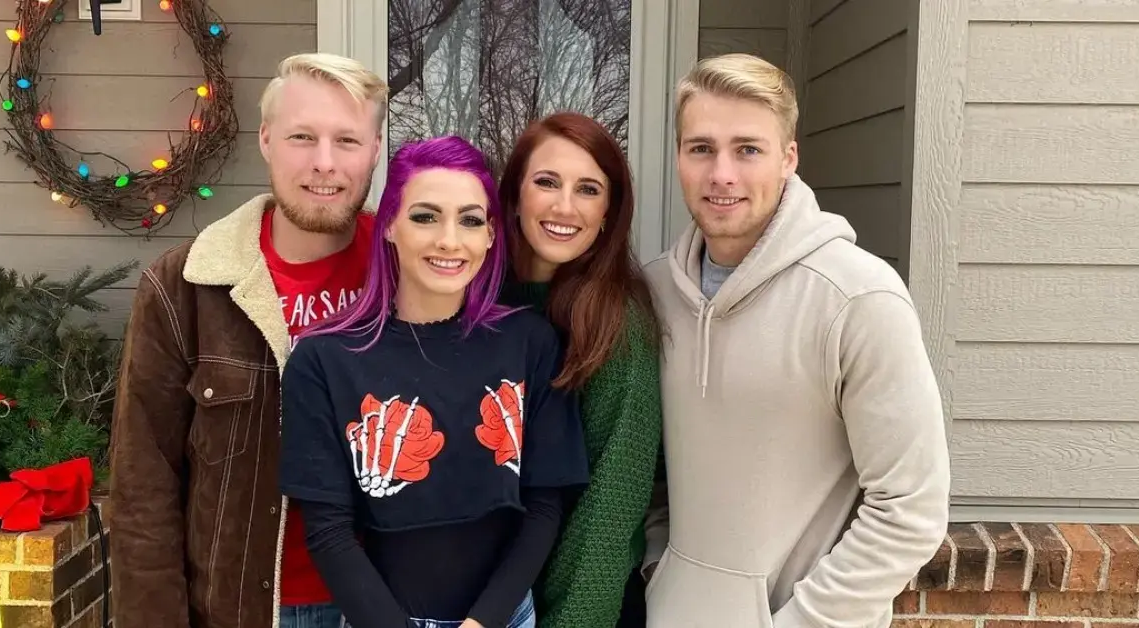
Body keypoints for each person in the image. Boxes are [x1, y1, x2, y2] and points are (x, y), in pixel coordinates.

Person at [641, 53, 950, 627]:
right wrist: (663, 568)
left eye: (748, 149)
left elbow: (910, 509)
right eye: (701, 148)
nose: (722, 174)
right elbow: (652, 468)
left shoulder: (858, 298)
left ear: (789, 158)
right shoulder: (656, 292)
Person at [108, 52, 388, 628]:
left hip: (391, 602)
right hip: (245, 608)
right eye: (302, 137)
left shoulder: (408, 271)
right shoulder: (186, 285)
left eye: (348, 141)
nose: (325, 163)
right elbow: (143, 484)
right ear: (266, 140)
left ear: (376, 150)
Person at [278, 135, 590, 628]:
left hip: (504, 618)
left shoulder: (530, 342)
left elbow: (544, 506)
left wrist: (483, 622)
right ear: (389, 228)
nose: (450, 240)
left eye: (469, 220)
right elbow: (328, 531)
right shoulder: (325, 360)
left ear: (490, 234)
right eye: (425, 216)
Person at [497, 112, 662, 628]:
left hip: (582, 606)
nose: (564, 206)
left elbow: (609, 511)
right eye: (547, 182)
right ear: (515, 193)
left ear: (609, 212)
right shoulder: (474, 300)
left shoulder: (618, 322)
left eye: (588, 189)